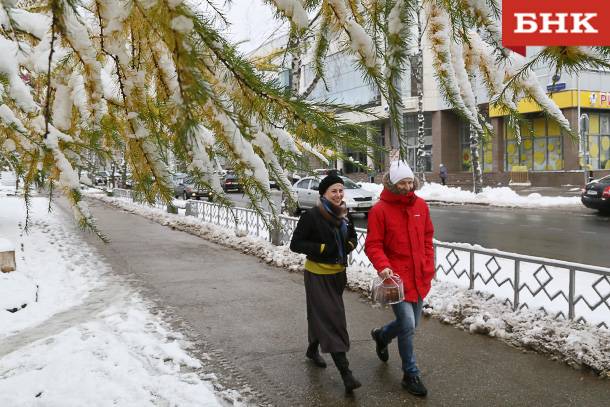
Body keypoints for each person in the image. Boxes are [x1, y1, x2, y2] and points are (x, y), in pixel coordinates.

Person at [364, 160, 435, 397]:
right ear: (393, 184)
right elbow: (373, 245)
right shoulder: (379, 210)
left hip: (419, 275)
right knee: (407, 325)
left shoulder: (421, 206)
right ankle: (410, 373)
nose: (407, 187)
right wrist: (383, 266)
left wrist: (428, 261)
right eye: (402, 182)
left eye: (410, 182)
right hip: (395, 279)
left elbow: (427, 237)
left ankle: (382, 335)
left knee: (411, 324)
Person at [289, 173, 361, 393]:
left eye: (340, 190)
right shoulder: (312, 216)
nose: (338, 195)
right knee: (333, 318)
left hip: (338, 274)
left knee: (321, 315)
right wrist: (321, 249)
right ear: (324, 194)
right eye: (334, 191)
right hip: (317, 275)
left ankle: (312, 349)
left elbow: (352, 238)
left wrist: (348, 244)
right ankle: (346, 373)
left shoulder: (343, 214)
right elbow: (296, 244)